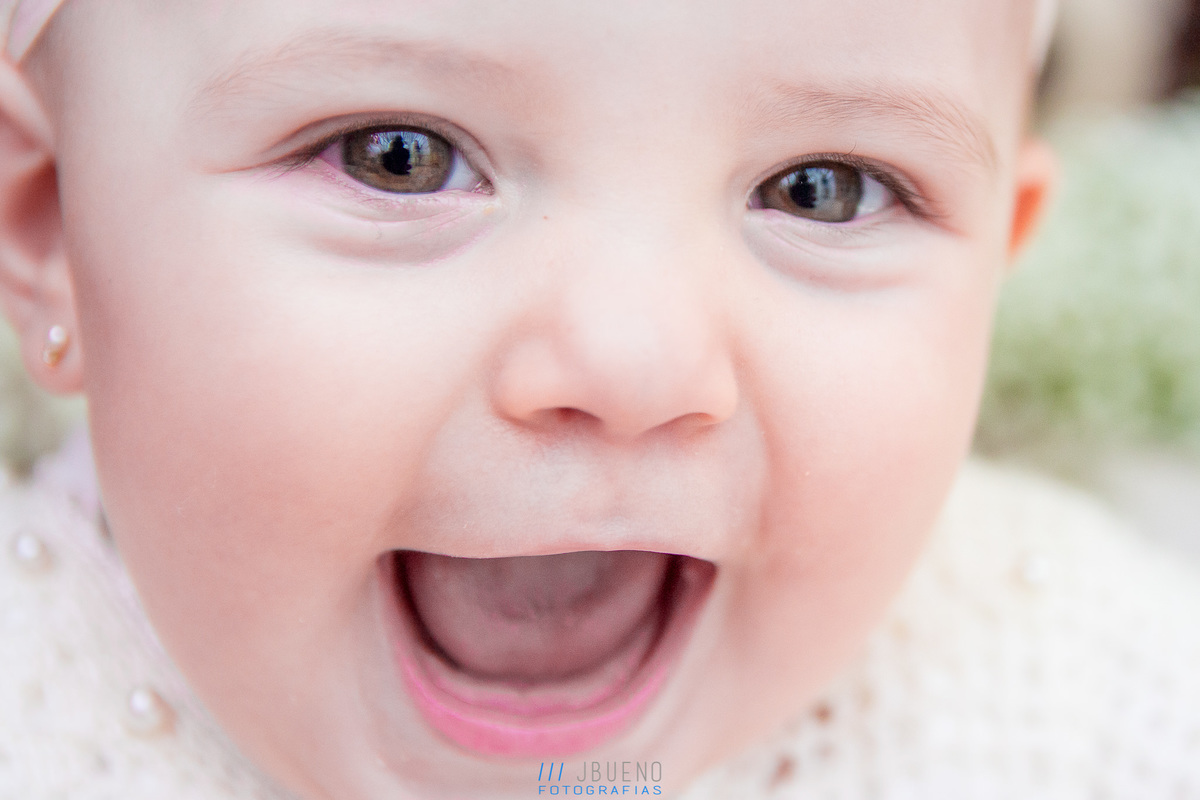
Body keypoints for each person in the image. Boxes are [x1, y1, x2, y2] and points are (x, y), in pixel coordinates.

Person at [0, 0, 1196, 798]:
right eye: (397, 156)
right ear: (50, 224)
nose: (635, 367)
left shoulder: (1083, 697)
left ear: (995, 269)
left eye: (825, 189)